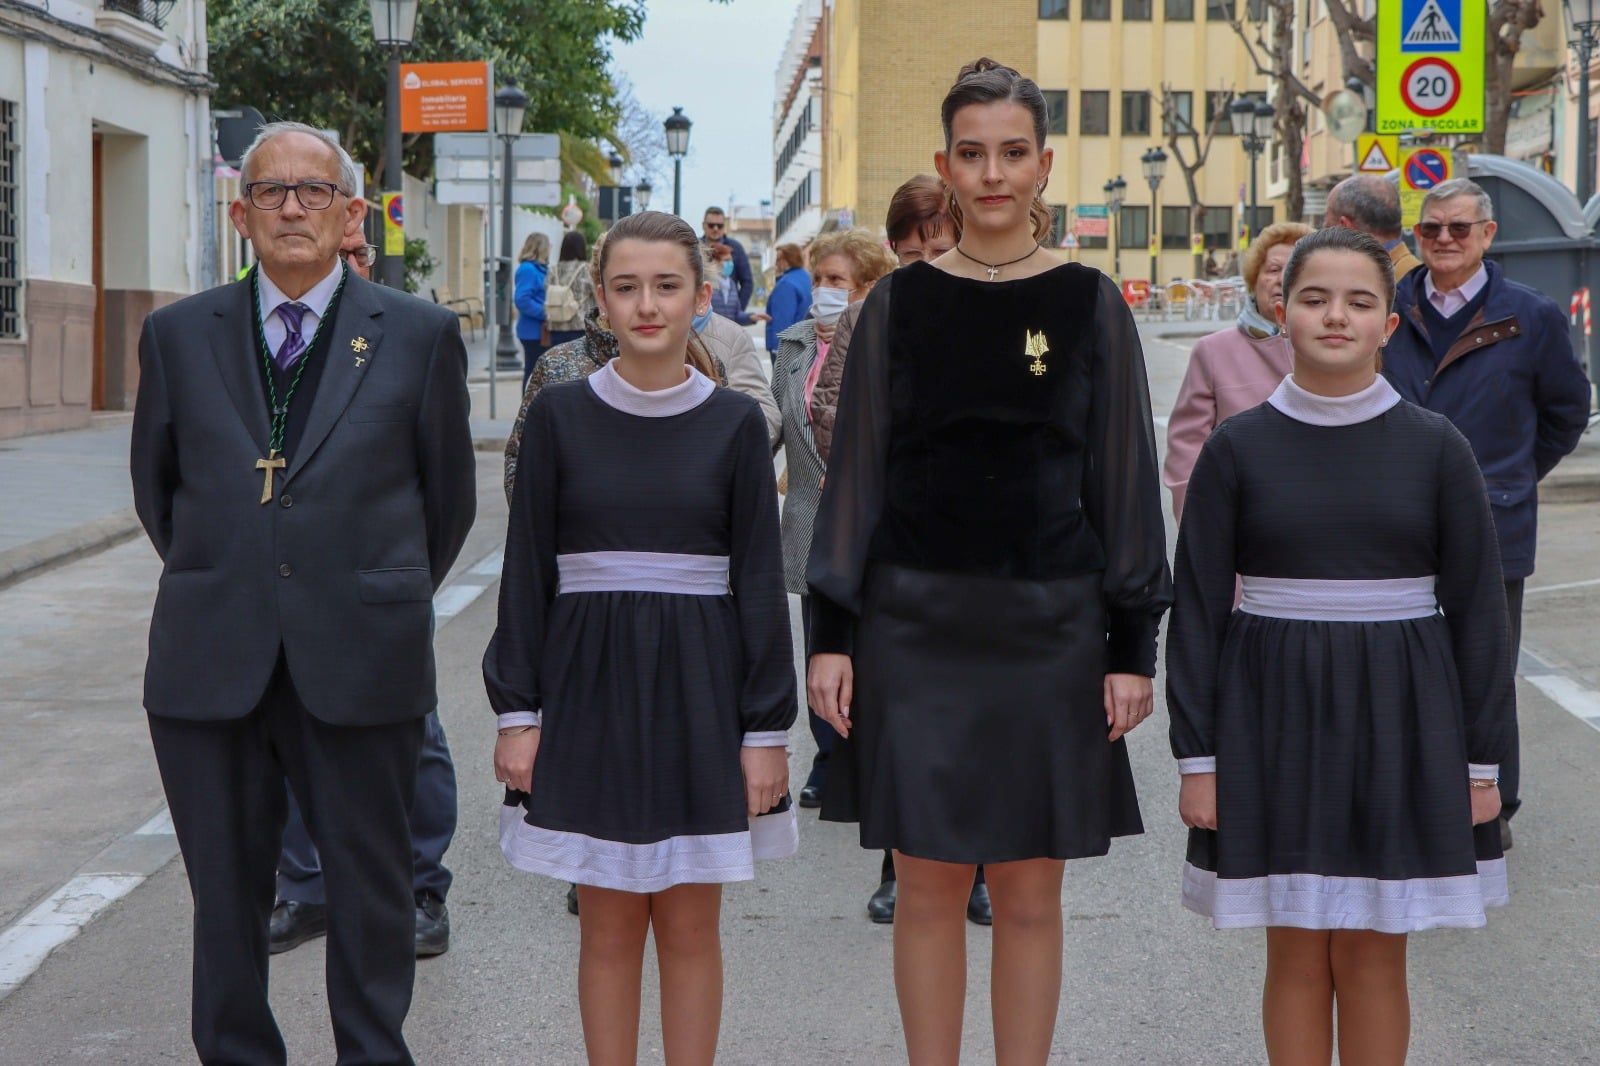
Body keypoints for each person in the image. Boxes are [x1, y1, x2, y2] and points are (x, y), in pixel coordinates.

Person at [806, 60, 1172, 1062]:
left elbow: (1124, 479)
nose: (993, 172)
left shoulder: (1093, 305)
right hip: (912, 626)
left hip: (1050, 626)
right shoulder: (898, 307)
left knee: (1027, 886)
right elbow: (857, 482)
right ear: (945, 164)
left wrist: (1132, 641)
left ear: (1045, 164)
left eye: (1013, 152)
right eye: (973, 153)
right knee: (923, 878)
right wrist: (831, 634)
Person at [130, 121, 476, 1064]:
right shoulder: (175, 334)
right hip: (213, 657)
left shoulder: (418, 335)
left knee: (370, 891)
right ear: (240, 214)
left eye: (312, 192)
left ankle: (372, 1053)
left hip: (361, 655)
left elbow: (444, 505)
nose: (292, 207)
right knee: (227, 897)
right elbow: (160, 496)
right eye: (271, 192)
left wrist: (364, 588)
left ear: (350, 211)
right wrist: (243, 573)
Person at [1167, 226, 1514, 1064]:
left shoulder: (1437, 448)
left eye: (1361, 302)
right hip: (1271, 715)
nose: (1336, 317)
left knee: (1371, 948)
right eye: (1315, 299)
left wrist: (1482, 766)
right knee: (1293, 945)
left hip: (1402, 716)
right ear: (1281, 313)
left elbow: (1478, 617)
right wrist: (1198, 760)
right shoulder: (1237, 448)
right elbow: (1200, 609)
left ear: (1389, 326)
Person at [484, 210, 797, 1065]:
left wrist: (765, 731)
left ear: (701, 298)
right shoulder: (559, 418)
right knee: (609, 924)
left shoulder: (735, 425)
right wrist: (518, 713)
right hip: (588, 690)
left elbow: (761, 586)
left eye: (668, 286)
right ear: (601, 300)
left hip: (701, 691)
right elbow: (527, 574)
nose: (647, 304)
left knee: (692, 925)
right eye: (627, 287)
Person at [268, 228, 459, 962]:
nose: (338, 267)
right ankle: (306, 887)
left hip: (380, 587)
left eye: (353, 254)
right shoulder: (264, 342)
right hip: (284, 583)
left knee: (415, 741)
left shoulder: (407, 337)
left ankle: (418, 888)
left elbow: (447, 492)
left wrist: (406, 580)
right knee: (285, 729)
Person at [1384, 177, 1592, 843]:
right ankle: (1408, 800)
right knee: (1398, 666)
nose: (1443, 240)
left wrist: (1511, 478)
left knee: (1484, 672)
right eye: (1430, 230)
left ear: (1488, 235)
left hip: (1494, 523)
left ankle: (1488, 812)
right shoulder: (1390, 308)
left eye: (1459, 229)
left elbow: (1566, 412)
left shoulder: (1531, 316)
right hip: (1393, 521)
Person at [1163, 221, 1311, 521]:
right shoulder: (1214, 351)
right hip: (1238, 530)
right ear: (1253, 280)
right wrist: (1201, 525)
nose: (1282, 278)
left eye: (1295, 269)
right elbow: (1187, 450)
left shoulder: (1335, 348)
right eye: (1272, 269)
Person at [1325, 173, 1423, 281]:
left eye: (1327, 228)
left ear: (1345, 228)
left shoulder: (1381, 286)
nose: (1325, 239)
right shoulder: (1417, 279)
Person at [546, 229, 598, 351]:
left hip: (556, 325)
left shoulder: (553, 269)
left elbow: (547, 290)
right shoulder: (586, 269)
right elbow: (597, 295)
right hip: (580, 326)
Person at [514, 232, 551, 388]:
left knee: (537, 372)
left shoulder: (538, 268)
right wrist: (545, 313)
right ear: (540, 247)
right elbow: (522, 299)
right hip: (533, 331)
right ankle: (527, 408)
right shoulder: (528, 269)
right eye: (548, 246)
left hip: (537, 330)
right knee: (532, 372)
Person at [765, 242, 812, 355]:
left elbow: (782, 320)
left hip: (788, 349)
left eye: (778, 259)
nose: (776, 263)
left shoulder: (786, 284)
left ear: (787, 260)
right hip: (805, 343)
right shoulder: (807, 278)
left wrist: (778, 350)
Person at [708, 241, 770, 327]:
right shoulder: (706, 285)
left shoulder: (732, 285)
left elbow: (735, 315)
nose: (731, 264)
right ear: (715, 262)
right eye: (726, 260)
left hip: (727, 337)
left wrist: (751, 317)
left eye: (731, 260)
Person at [703, 205, 753, 309]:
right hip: (699, 311)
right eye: (711, 225)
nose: (716, 229)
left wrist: (737, 310)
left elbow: (747, 282)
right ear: (703, 225)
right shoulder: (695, 247)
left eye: (719, 225)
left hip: (727, 313)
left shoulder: (736, 248)